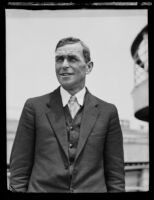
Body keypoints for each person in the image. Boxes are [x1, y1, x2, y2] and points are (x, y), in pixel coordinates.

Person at [9, 37, 125, 193]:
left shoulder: (108, 112)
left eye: (72, 59)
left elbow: (115, 176)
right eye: (59, 59)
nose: (64, 65)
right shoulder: (34, 107)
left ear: (89, 67)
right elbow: (19, 170)